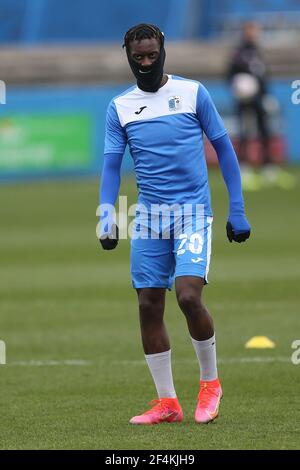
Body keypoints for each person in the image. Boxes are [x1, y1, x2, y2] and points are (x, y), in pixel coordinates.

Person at [99, 23, 250, 425]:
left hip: (192, 214)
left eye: (152, 55)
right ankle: (167, 403)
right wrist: (105, 212)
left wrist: (237, 208)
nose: (146, 63)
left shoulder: (192, 93)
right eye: (138, 57)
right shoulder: (120, 107)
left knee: (187, 295)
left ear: (163, 50)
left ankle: (210, 385)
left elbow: (224, 148)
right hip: (149, 217)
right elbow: (112, 165)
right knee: (148, 304)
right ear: (128, 55)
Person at [227, 21, 295, 190]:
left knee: (265, 131)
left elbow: (263, 75)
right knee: (245, 133)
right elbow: (231, 75)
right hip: (245, 101)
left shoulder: (257, 51)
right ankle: (244, 170)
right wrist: (238, 88)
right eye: (252, 30)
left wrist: (266, 95)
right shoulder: (239, 51)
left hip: (260, 99)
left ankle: (269, 170)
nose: (255, 33)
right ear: (245, 31)